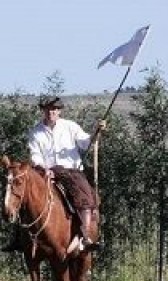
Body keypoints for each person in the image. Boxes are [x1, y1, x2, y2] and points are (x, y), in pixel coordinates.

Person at [2, 97, 104, 253]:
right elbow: (35, 155)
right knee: (24, 195)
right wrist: (44, 169)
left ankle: (85, 236)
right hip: (46, 171)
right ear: (43, 111)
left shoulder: (70, 126)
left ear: (59, 111)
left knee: (85, 196)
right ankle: (18, 238)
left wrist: (96, 132)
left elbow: (86, 142)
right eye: (49, 109)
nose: (52, 112)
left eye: (55, 109)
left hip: (71, 171)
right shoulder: (35, 132)